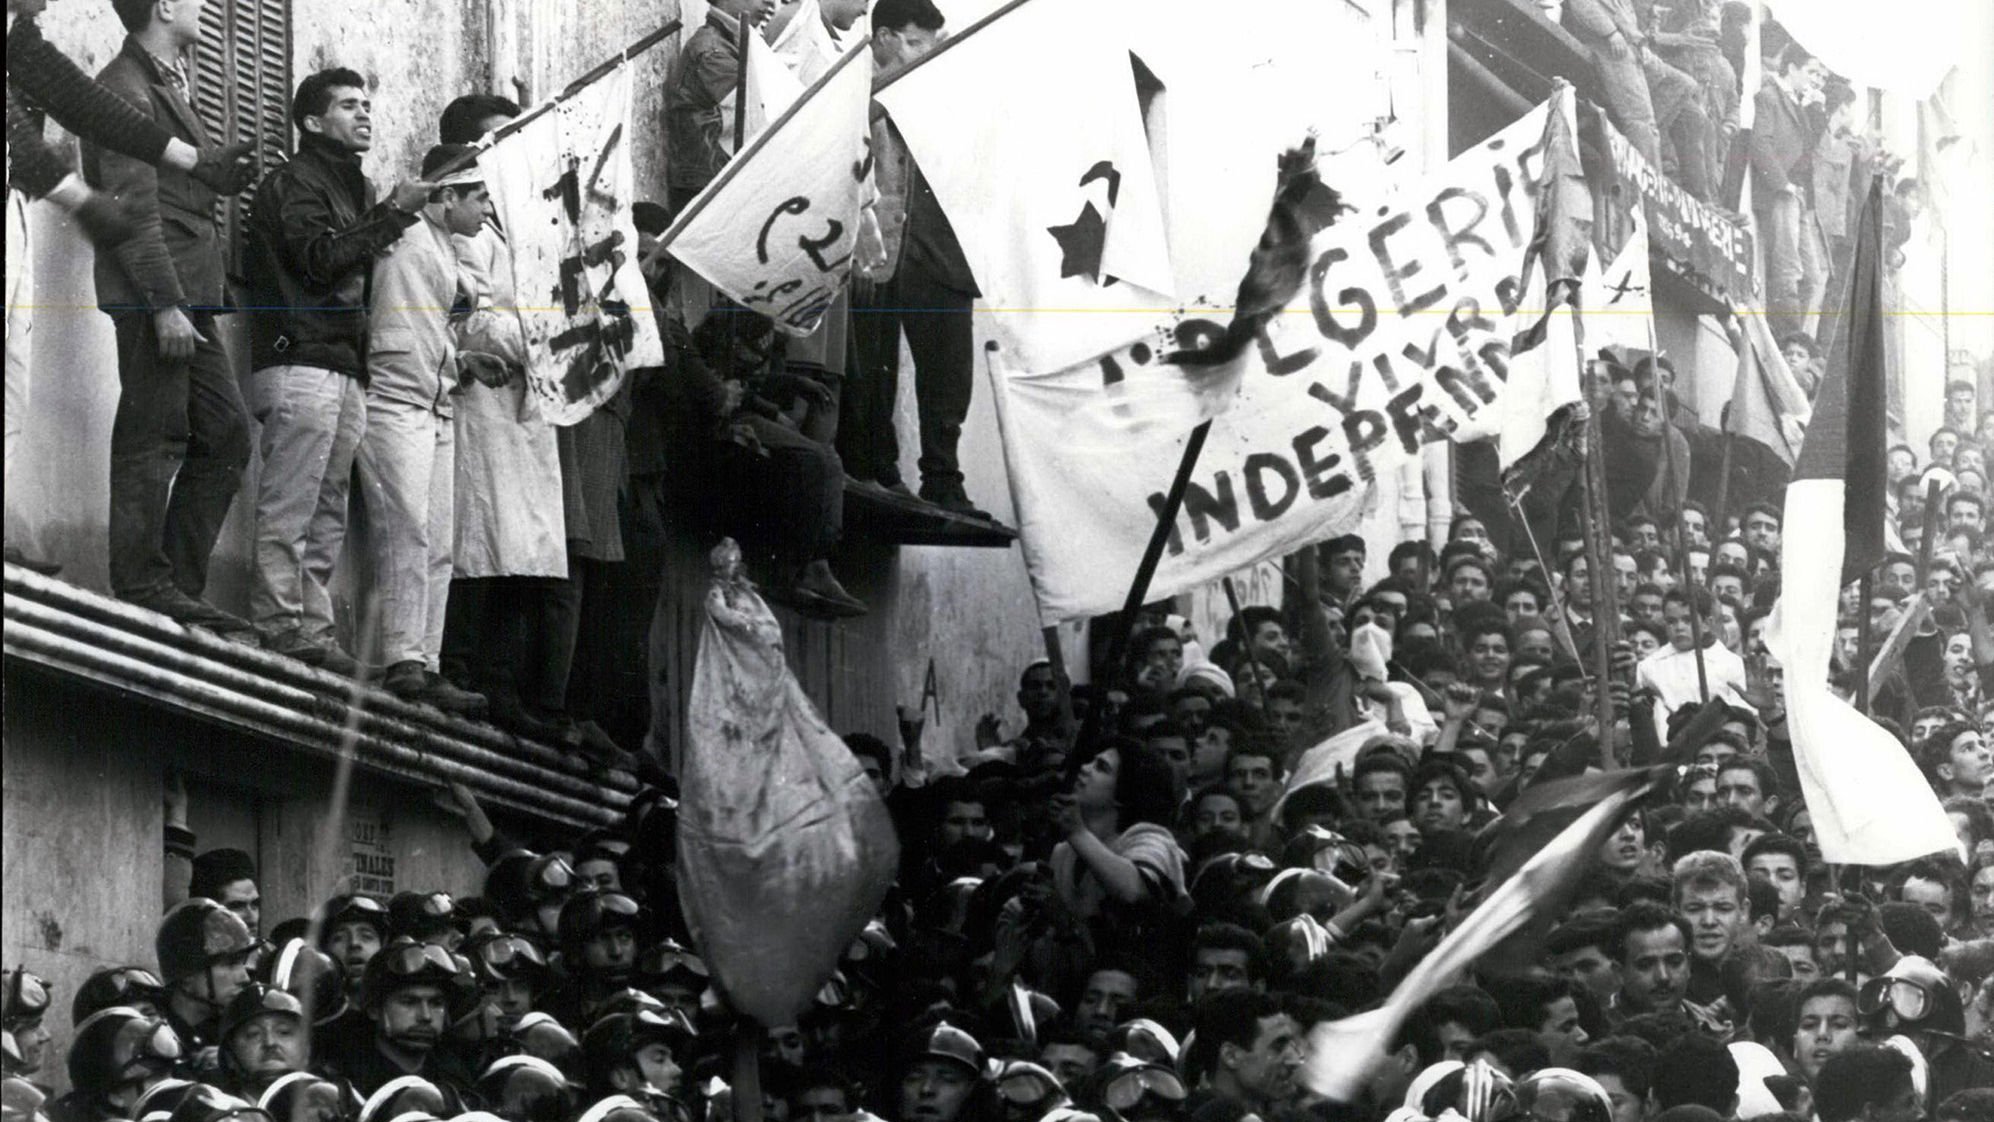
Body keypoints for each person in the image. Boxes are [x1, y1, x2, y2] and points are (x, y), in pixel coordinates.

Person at [5, 0, 253, 575]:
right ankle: (146, 579)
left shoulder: (20, 36)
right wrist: (78, 198)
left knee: (11, 381)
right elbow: (16, 132)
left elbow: (87, 105)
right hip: (126, 270)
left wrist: (195, 161)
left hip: (18, 209)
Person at [244, 68, 433, 671]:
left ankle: (314, 632)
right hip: (301, 359)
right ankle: (277, 622)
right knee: (292, 503)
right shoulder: (296, 182)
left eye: (367, 105)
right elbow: (321, 260)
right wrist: (393, 215)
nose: (364, 115)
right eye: (348, 106)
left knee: (325, 511)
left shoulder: (345, 186)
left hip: (339, 366)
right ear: (311, 122)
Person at [82, 0, 257, 635]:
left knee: (228, 434)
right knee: (153, 434)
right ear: (162, 7)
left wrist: (218, 176)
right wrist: (163, 303)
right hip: (160, 295)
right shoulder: (122, 87)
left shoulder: (164, 81)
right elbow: (130, 208)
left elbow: (174, 186)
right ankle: (142, 584)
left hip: (188, 295)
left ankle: (175, 586)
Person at [356, 143, 493, 714]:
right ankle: (401, 657)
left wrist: (462, 361)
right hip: (393, 398)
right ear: (447, 196)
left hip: (436, 402)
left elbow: (430, 327)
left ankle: (427, 661)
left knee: (439, 541)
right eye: (479, 196)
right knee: (405, 529)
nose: (487, 208)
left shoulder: (450, 248)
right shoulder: (402, 231)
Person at [847, 0, 990, 518]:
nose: (924, 55)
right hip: (881, 251)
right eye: (913, 43)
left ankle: (944, 478)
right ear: (882, 39)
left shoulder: (946, 93)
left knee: (949, 374)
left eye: (931, 45)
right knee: (873, 371)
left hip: (940, 254)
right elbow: (852, 124)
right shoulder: (856, 84)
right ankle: (878, 468)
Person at [1750, 43, 1828, 338]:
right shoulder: (1770, 97)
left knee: (1813, 277)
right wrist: (1782, 184)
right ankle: (1786, 338)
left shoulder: (1800, 104)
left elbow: (1809, 148)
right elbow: (1761, 143)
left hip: (1802, 197)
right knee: (1788, 268)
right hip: (1782, 193)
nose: (1816, 81)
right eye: (1811, 72)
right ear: (1791, 68)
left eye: (1821, 76)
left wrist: (1816, 110)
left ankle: (1798, 340)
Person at [155, 898, 257, 1053]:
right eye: (230, 965)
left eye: (242, 964)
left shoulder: (236, 1033)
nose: (245, 978)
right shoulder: (155, 1037)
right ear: (187, 975)